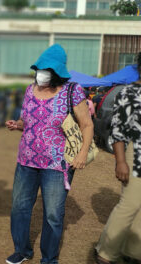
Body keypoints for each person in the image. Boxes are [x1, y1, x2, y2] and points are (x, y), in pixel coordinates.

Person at [5, 44, 94, 264]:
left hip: (57, 165)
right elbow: (28, 121)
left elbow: (87, 125)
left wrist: (82, 154)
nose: (41, 73)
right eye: (39, 69)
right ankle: (22, 250)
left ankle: (49, 259)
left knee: (53, 215)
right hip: (26, 160)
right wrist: (17, 125)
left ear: (57, 72)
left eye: (46, 69)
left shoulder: (72, 91)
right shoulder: (29, 89)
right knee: (19, 207)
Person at [94, 52, 141, 264]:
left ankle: (133, 251)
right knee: (130, 203)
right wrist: (120, 161)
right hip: (136, 151)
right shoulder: (129, 92)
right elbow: (118, 131)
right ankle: (105, 252)